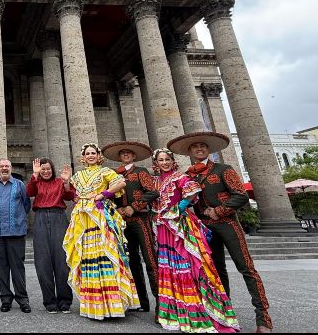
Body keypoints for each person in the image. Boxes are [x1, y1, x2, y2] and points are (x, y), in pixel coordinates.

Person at [168, 131, 273, 333]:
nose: (199, 149)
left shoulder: (223, 169)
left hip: (227, 224)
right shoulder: (187, 176)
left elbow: (241, 195)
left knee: (247, 269)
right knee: (216, 271)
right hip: (204, 228)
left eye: (203, 146)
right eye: (195, 147)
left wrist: (219, 210)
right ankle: (225, 312)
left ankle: (263, 319)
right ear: (190, 151)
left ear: (208, 150)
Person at [150, 147, 239, 332]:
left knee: (188, 266)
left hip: (179, 226)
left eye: (167, 159)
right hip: (163, 227)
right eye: (161, 160)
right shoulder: (156, 182)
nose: (164, 162)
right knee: (170, 268)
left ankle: (197, 310)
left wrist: (180, 207)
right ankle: (176, 312)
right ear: (156, 163)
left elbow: (192, 191)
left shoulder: (179, 176)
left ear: (172, 161)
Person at [62, 143, 140, 319]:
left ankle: (113, 305)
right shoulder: (78, 175)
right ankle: (94, 305)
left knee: (106, 254)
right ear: (83, 157)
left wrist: (102, 194)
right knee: (88, 257)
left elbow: (121, 183)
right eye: (87, 154)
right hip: (83, 219)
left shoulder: (105, 171)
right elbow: (71, 194)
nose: (90, 156)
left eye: (93, 153)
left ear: (98, 156)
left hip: (100, 217)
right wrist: (66, 181)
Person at [102, 141, 159, 313]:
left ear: (134, 156)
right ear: (119, 157)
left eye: (129, 153)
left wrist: (134, 207)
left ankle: (161, 304)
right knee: (132, 261)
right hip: (123, 222)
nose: (126, 155)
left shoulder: (141, 172)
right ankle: (142, 302)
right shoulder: (113, 175)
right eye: (123, 153)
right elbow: (110, 197)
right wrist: (117, 209)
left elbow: (152, 192)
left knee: (150, 260)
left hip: (141, 219)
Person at [26, 158, 75, 314]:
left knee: (62, 261)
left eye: (48, 169)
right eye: (43, 169)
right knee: (43, 263)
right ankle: (49, 301)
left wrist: (67, 182)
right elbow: (29, 193)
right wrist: (34, 175)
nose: (45, 171)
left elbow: (69, 196)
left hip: (58, 218)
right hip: (40, 218)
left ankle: (65, 301)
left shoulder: (60, 181)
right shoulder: (37, 182)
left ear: (52, 169)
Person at [0, 158, 32, 313]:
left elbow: (26, 205)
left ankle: (22, 299)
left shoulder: (20, 185)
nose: (4, 168)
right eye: (2, 166)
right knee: (1, 267)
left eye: (7, 166)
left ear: (11, 168)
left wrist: (18, 219)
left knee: (17, 267)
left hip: (16, 232)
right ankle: (6, 299)